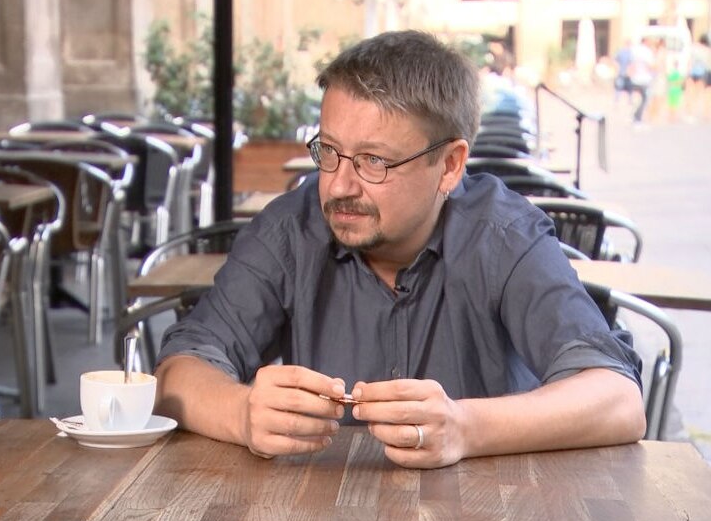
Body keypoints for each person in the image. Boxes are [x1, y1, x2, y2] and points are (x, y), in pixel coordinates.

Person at [154, 30, 646, 469]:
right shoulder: (290, 229)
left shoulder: (504, 236)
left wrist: (464, 426)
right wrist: (242, 413)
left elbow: (618, 399)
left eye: (373, 161)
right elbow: (178, 372)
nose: (339, 186)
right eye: (328, 151)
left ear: (450, 166)